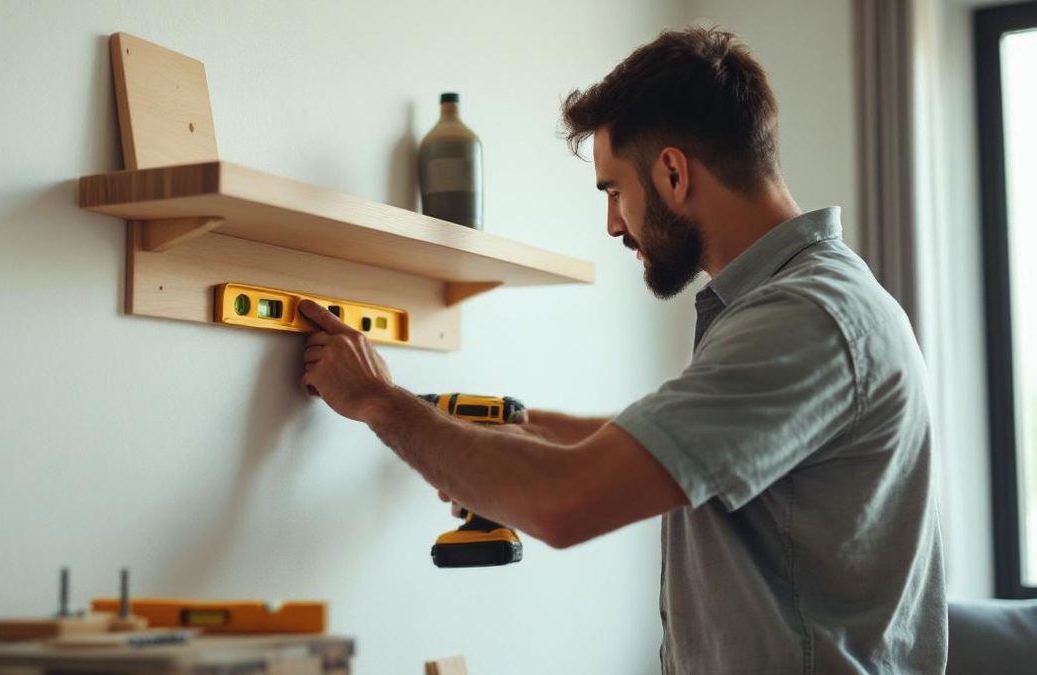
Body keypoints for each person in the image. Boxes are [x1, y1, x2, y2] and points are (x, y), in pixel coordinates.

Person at [297, 26, 946, 674]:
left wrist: (380, 402)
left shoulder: (802, 320)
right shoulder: (808, 302)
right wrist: (516, 429)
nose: (612, 223)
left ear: (672, 171)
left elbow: (565, 502)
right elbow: (672, 447)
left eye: (612, 189)